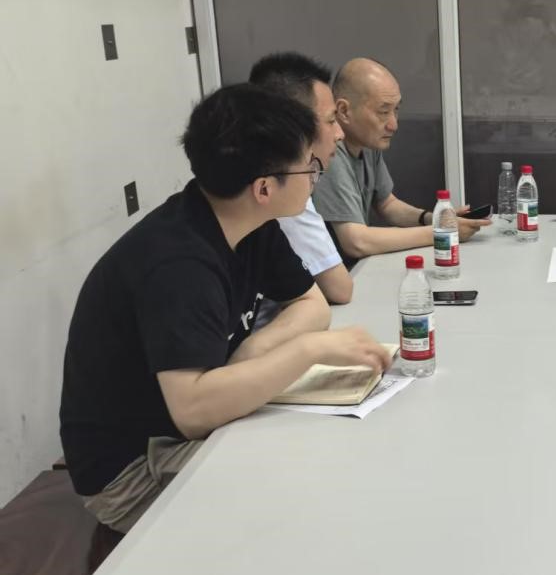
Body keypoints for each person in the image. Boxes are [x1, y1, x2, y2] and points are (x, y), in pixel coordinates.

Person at [59, 85, 392, 533]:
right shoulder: (179, 264)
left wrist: (252, 354)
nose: (314, 176)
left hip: (191, 426)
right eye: (308, 168)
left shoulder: (249, 221)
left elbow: (311, 303)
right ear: (264, 188)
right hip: (133, 473)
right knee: (316, 489)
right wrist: (308, 350)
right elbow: (193, 410)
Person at [313, 57, 488, 264]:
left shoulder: (367, 143)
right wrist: (440, 232)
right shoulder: (329, 151)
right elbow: (356, 241)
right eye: (383, 111)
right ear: (343, 111)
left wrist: (433, 218)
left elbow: (387, 203)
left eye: (396, 110)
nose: (393, 125)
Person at [249, 52, 352, 304]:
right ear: (294, 128)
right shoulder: (282, 193)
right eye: (331, 121)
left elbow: (313, 306)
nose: (340, 133)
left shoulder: (285, 184)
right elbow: (340, 289)